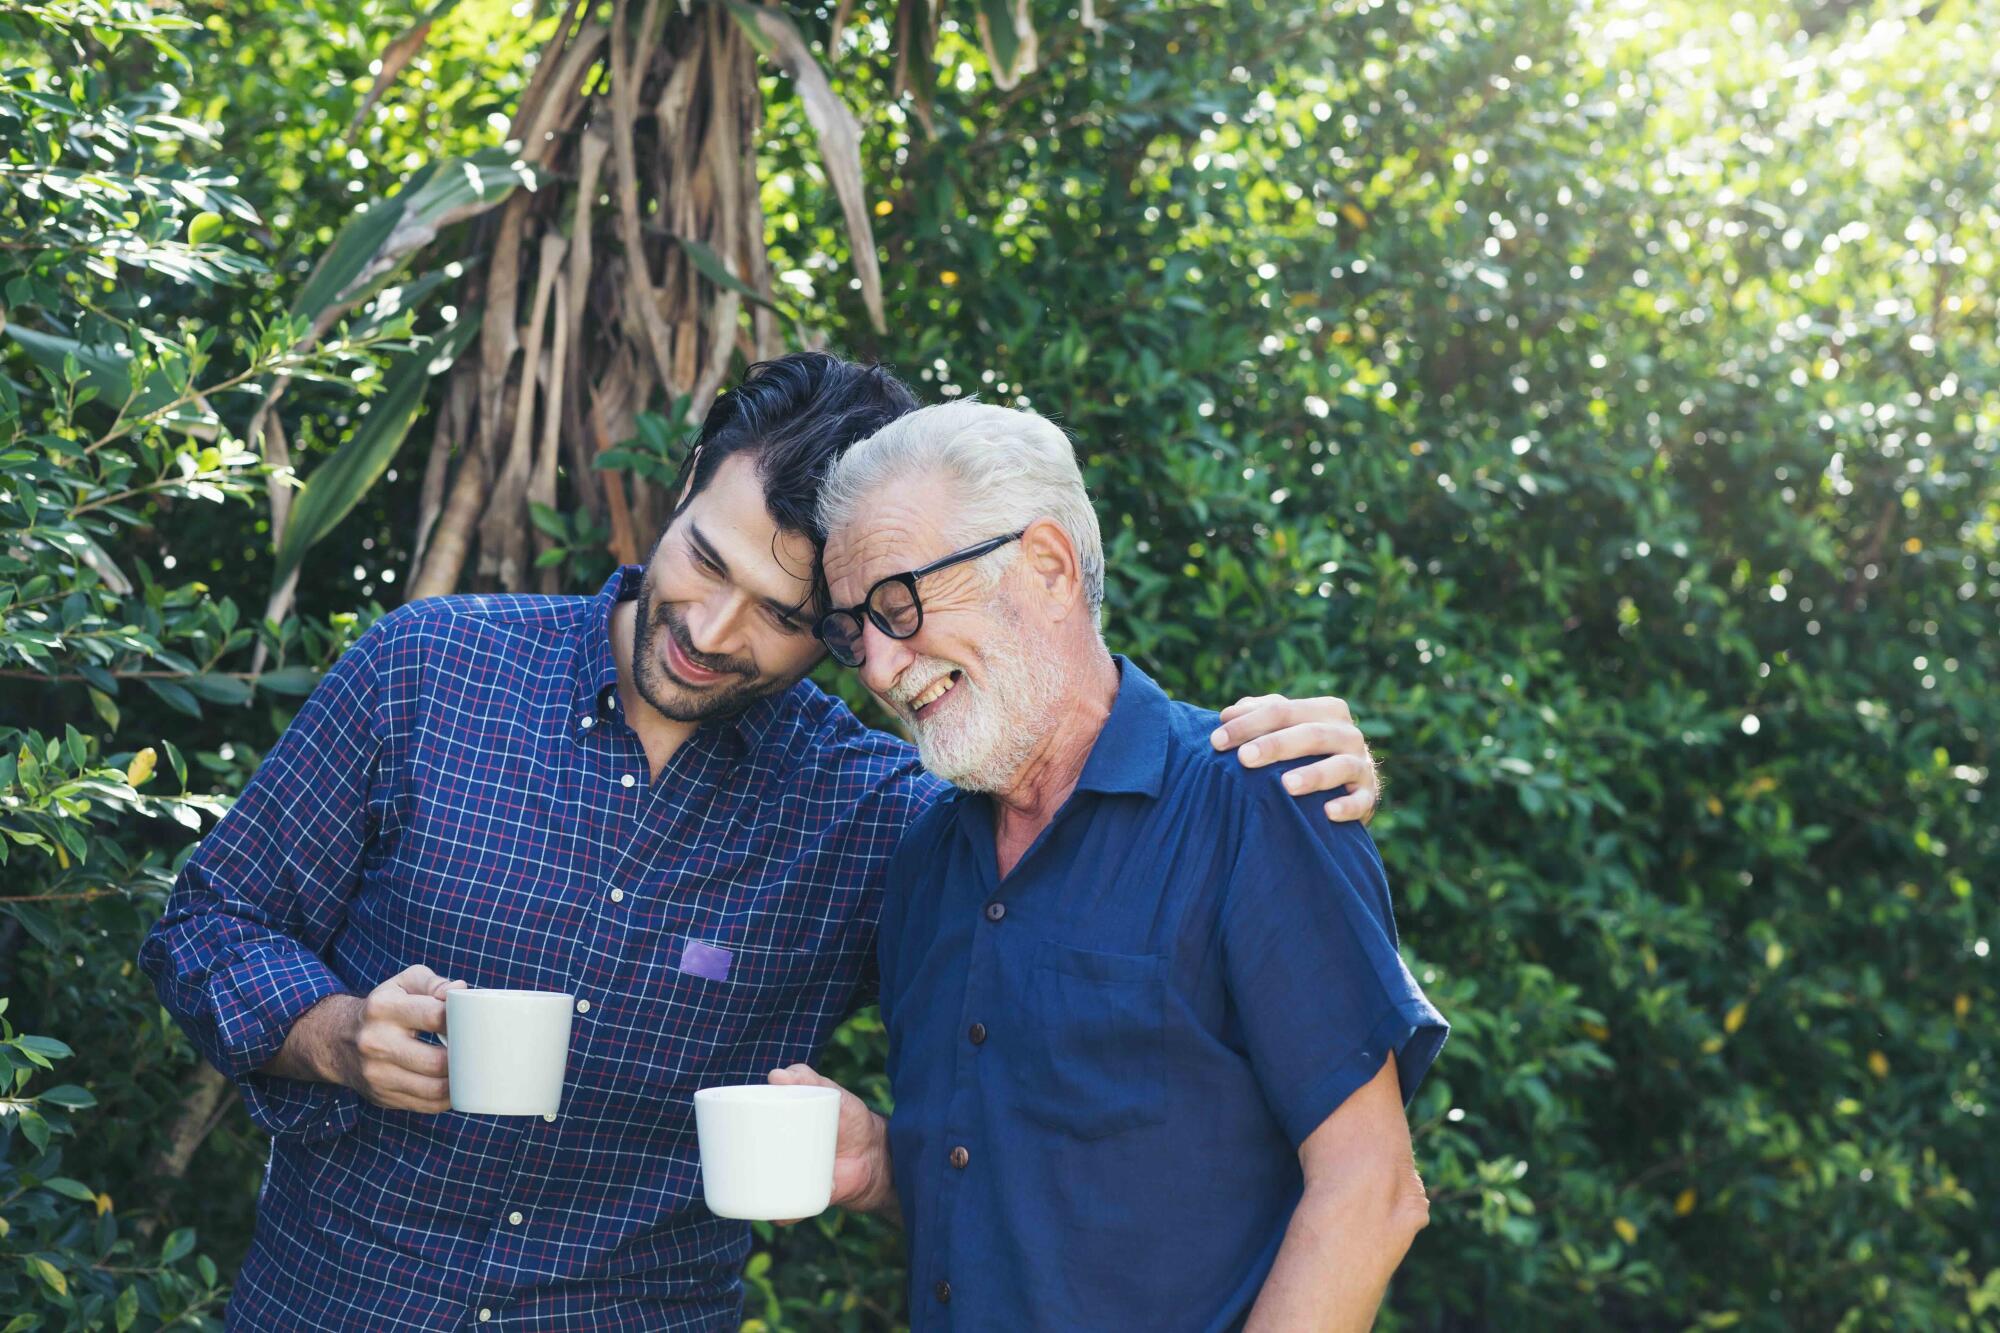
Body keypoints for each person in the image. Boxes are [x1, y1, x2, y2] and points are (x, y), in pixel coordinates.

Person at [139, 353, 1385, 1330]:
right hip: (338, 1306)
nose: (711, 628)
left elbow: (1069, 844)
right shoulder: (429, 670)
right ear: (682, 486)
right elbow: (206, 923)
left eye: (785, 615)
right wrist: (330, 1033)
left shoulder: (880, 817)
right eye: (704, 559)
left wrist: (1266, 763)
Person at [790, 400, 1449, 1331]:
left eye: (899, 606)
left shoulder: (1252, 805)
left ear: (1049, 567)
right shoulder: (926, 862)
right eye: (855, 631)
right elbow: (1040, 1202)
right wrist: (885, 1164)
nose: (878, 667)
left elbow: (1371, 1192)